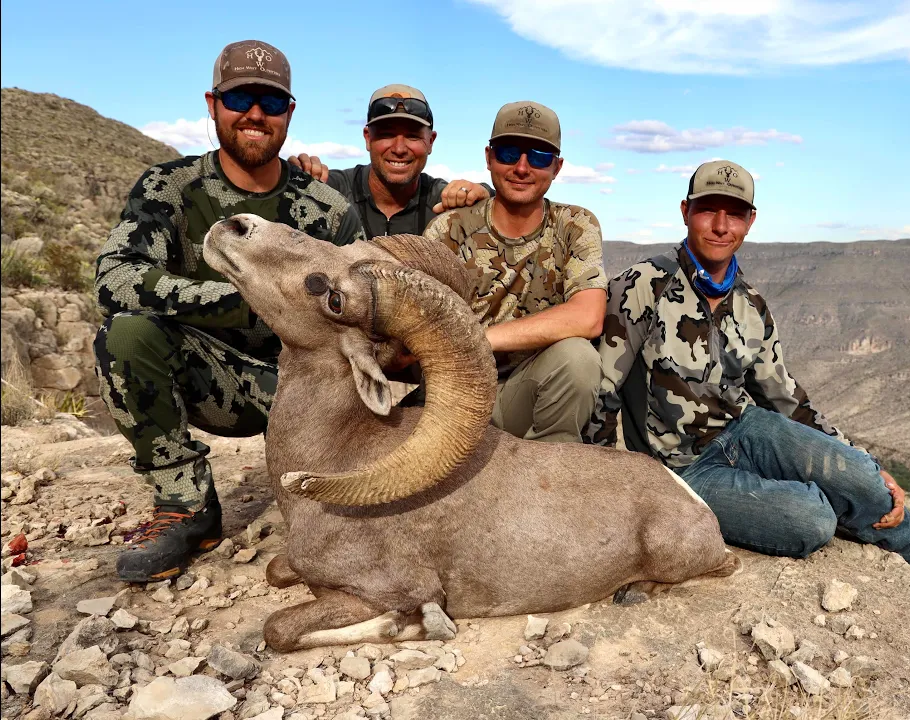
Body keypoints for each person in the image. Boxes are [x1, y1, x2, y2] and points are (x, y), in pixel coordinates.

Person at [586, 160, 910, 581]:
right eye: (708, 210)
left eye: (735, 214)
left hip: (747, 430)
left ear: (750, 222)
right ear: (686, 212)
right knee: (811, 521)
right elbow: (603, 389)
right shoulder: (641, 285)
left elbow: (784, 396)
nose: (721, 226)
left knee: (866, 478)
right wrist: (614, 490)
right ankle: (834, 514)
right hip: (681, 468)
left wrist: (857, 458)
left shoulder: (750, 303)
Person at [94, 40, 365, 583]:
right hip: (209, 374)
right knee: (125, 335)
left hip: (309, 387)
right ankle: (186, 507)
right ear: (213, 104)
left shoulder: (329, 210)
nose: (255, 114)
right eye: (240, 98)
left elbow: (358, 308)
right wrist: (245, 302)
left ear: (289, 112)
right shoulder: (168, 188)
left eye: (272, 101)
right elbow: (115, 278)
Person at [416, 101, 605, 444]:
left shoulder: (575, 225)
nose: (521, 168)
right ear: (489, 157)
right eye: (508, 153)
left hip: (527, 393)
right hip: (455, 392)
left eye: (539, 157)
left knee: (579, 360)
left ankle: (551, 467)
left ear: (557, 167)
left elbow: (588, 317)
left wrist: (478, 339)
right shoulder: (448, 229)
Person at [288, 84, 491, 237]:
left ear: (431, 141)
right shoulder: (331, 190)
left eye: (412, 136)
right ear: (368, 138)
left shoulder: (443, 202)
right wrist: (289, 174)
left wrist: (484, 195)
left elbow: (501, 210)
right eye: (386, 134)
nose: (399, 149)